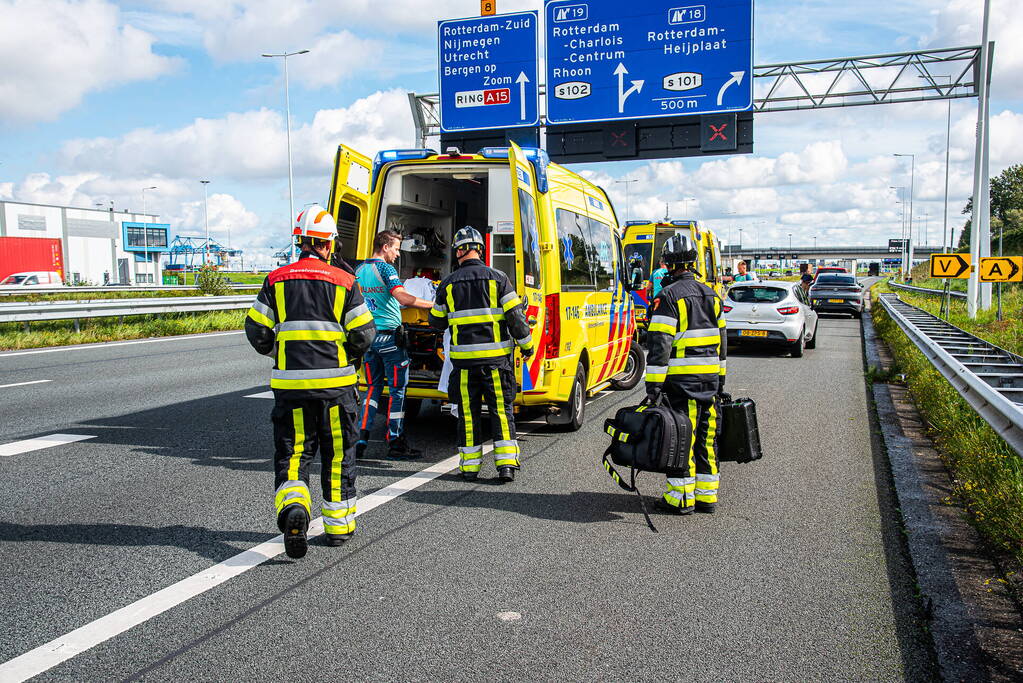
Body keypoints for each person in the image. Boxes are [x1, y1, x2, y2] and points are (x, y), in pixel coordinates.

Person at [245, 205, 376, 559]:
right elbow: (363, 334)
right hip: (336, 389)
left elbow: (256, 329)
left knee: (293, 453)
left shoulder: (276, 280)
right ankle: (337, 528)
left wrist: (279, 353)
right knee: (337, 454)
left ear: (300, 241)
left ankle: (293, 510)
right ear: (328, 244)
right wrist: (345, 357)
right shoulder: (345, 281)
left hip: (291, 389)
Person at [429, 226, 534, 482]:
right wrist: (527, 346)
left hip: (464, 365)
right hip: (496, 364)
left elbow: (436, 322)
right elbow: (517, 319)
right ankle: (506, 466)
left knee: (467, 415)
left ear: (458, 252)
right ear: (481, 250)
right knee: (501, 411)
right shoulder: (499, 279)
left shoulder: (447, 284)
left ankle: (469, 468)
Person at [645, 233, 727, 515]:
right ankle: (707, 497)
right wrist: (721, 379)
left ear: (668, 263)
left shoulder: (668, 296)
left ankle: (680, 498)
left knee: (683, 439)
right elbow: (722, 341)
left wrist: (653, 387)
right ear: (692, 262)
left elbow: (660, 345)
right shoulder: (712, 295)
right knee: (706, 438)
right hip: (711, 381)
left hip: (682, 384)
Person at [354, 230, 434, 459]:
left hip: (368, 338)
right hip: (389, 338)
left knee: (372, 388)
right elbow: (403, 299)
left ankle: (361, 439)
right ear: (385, 246)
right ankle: (395, 442)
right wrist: (433, 304)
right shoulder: (386, 269)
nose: (398, 254)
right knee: (398, 391)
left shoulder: (360, 270)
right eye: (397, 248)